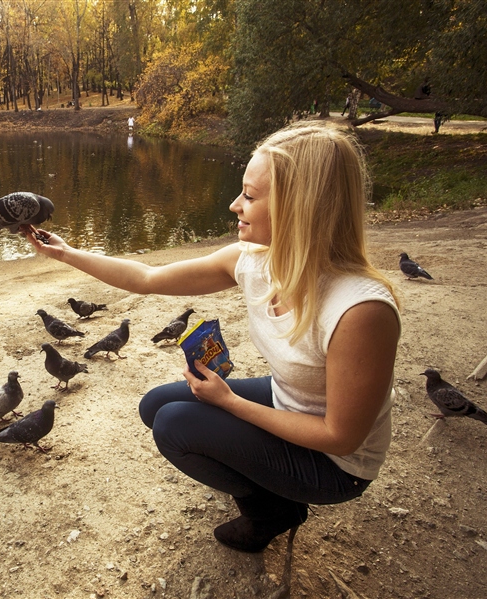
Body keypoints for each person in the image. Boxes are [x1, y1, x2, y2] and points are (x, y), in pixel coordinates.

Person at [23, 122, 401, 553]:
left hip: (335, 464)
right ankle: (266, 481)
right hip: (289, 402)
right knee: (156, 404)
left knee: (174, 426)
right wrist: (66, 252)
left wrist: (231, 404)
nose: (234, 204)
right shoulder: (255, 261)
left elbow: (341, 437)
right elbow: (147, 277)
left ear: (301, 207)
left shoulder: (360, 311)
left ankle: (272, 511)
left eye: (251, 196)